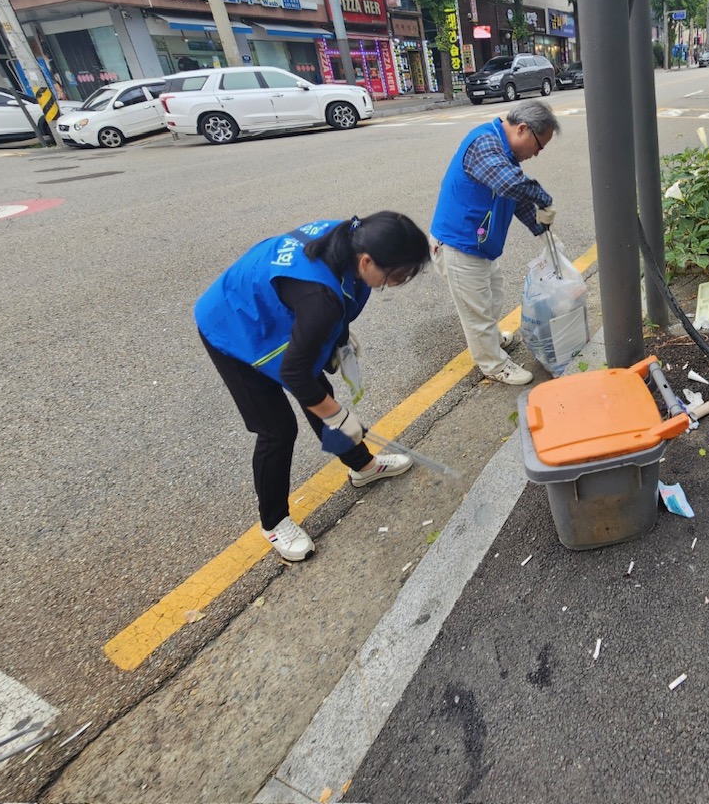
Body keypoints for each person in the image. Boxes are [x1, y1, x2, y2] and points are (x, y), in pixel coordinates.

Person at [196, 212, 430, 561]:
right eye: (396, 275)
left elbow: (329, 305)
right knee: (277, 429)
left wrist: (337, 340)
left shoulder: (351, 238)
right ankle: (273, 522)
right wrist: (337, 416)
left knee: (322, 399)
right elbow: (295, 374)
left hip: (270, 314)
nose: (398, 282)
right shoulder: (319, 298)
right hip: (231, 325)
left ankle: (362, 467)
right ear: (367, 261)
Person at [430, 100, 559, 386]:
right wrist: (545, 199)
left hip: (479, 246)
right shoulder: (485, 143)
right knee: (476, 311)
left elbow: (514, 198)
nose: (536, 154)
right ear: (523, 129)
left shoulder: (504, 154)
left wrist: (542, 230)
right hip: (459, 246)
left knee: (492, 296)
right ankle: (493, 364)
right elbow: (511, 185)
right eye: (539, 146)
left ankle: (488, 339)